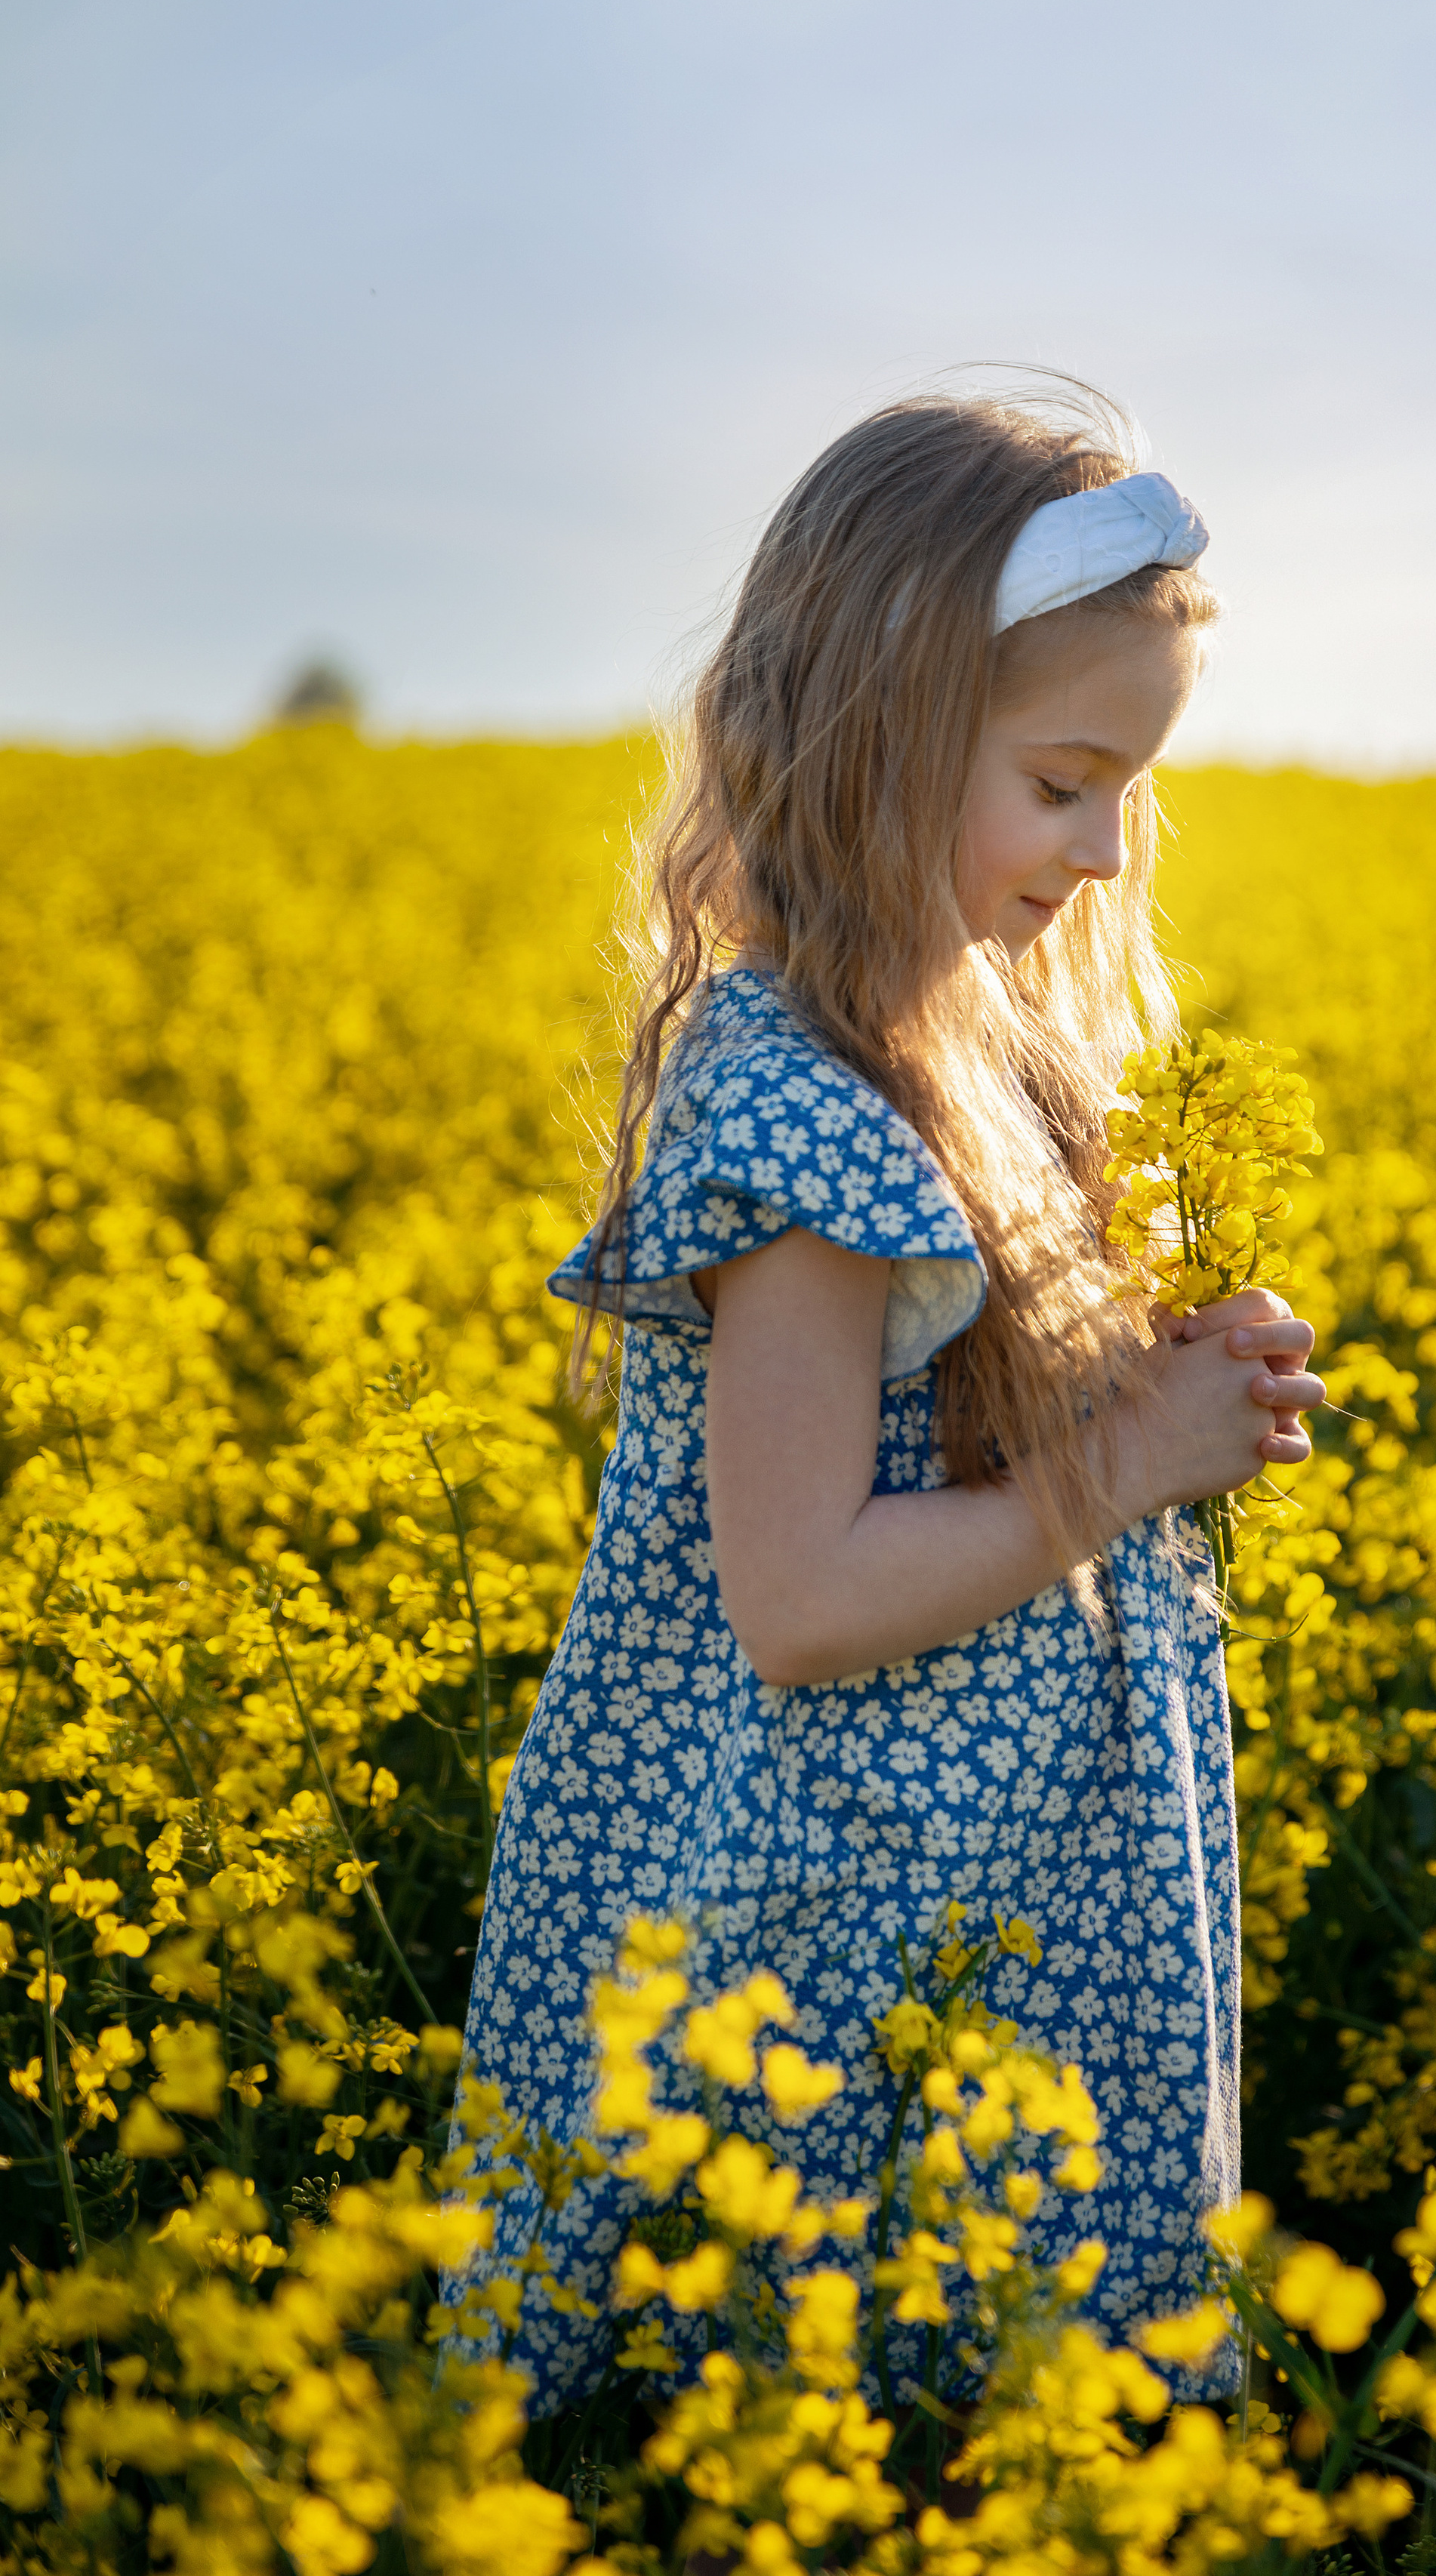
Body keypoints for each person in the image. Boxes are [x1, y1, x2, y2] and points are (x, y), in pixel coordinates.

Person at [457, 386, 1324, 2415]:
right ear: (884, 729)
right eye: (1062, 780)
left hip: (986, 1907)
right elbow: (802, 1591)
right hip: (835, 1933)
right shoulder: (796, 1103)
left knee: (971, 2433)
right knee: (825, 2424)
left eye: (1129, 792)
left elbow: (968, 1423)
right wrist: (1124, 1467)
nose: (1105, 846)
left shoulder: (976, 1050)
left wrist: (1163, 1371)